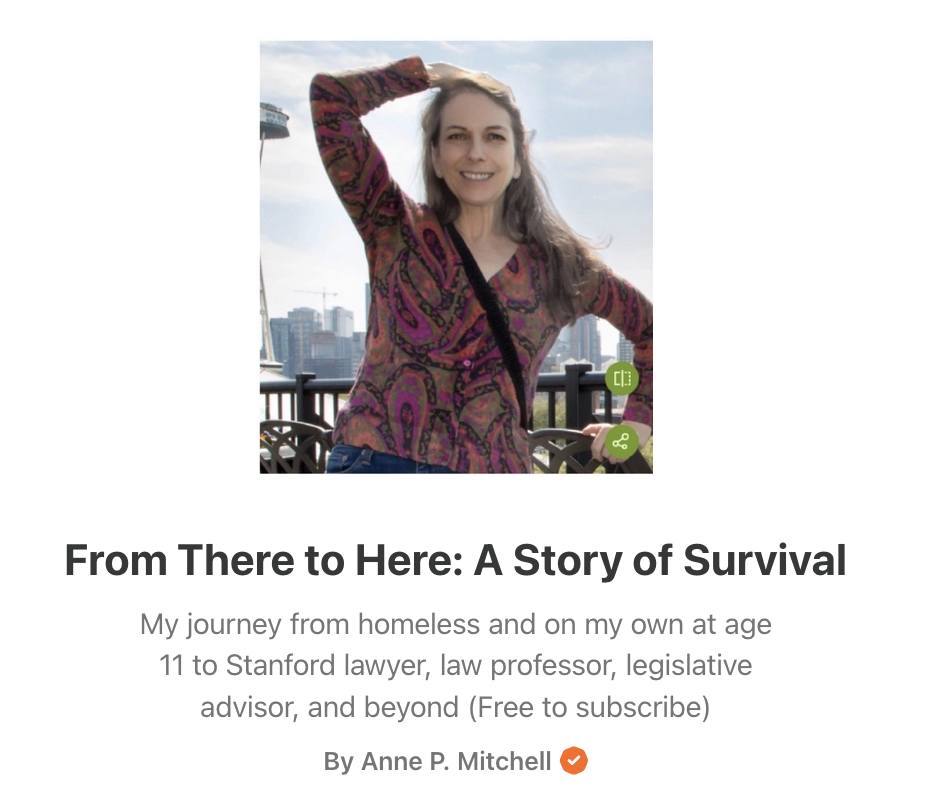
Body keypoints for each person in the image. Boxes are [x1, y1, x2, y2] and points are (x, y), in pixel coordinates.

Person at [310, 56, 652, 473]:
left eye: (494, 137)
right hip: (374, 464)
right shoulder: (391, 223)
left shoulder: (559, 267)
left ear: (519, 158)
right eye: (457, 136)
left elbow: (652, 330)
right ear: (435, 156)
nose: (475, 152)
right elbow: (331, 98)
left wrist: (636, 424)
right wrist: (433, 76)